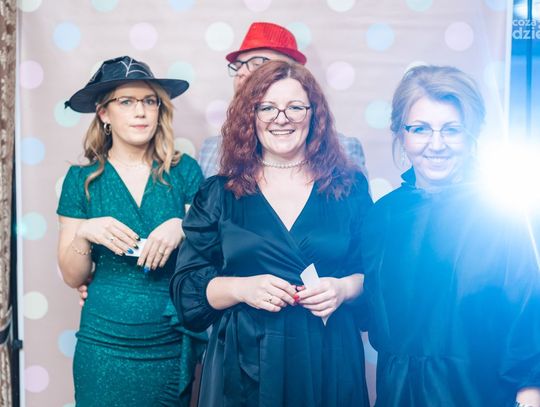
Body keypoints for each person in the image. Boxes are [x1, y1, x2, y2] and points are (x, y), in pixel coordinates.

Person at [170, 60, 373, 406]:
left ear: (314, 115)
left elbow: (375, 274)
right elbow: (187, 290)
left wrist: (343, 288)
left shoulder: (348, 188)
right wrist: (241, 288)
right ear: (250, 115)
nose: (282, 118)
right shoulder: (219, 193)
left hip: (328, 357)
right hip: (241, 366)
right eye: (267, 108)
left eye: (295, 107)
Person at [361, 65, 540, 406]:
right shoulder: (382, 217)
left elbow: (527, 312)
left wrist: (530, 394)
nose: (437, 144)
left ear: (472, 134)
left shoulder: (505, 212)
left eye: (452, 130)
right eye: (420, 129)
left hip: (479, 393)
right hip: (399, 395)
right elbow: (371, 313)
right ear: (401, 133)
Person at [58, 56, 205, 406]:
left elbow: (212, 253)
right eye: (126, 102)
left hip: (168, 339)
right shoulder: (81, 180)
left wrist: (183, 227)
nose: (141, 112)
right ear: (104, 113)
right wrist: (84, 233)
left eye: (149, 101)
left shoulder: (184, 171)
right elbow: (72, 276)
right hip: (102, 344)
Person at [198, 21, 368, 178]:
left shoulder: (345, 151)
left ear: (291, 71)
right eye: (238, 66)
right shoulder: (212, 150)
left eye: (257, 64)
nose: (241, 72)